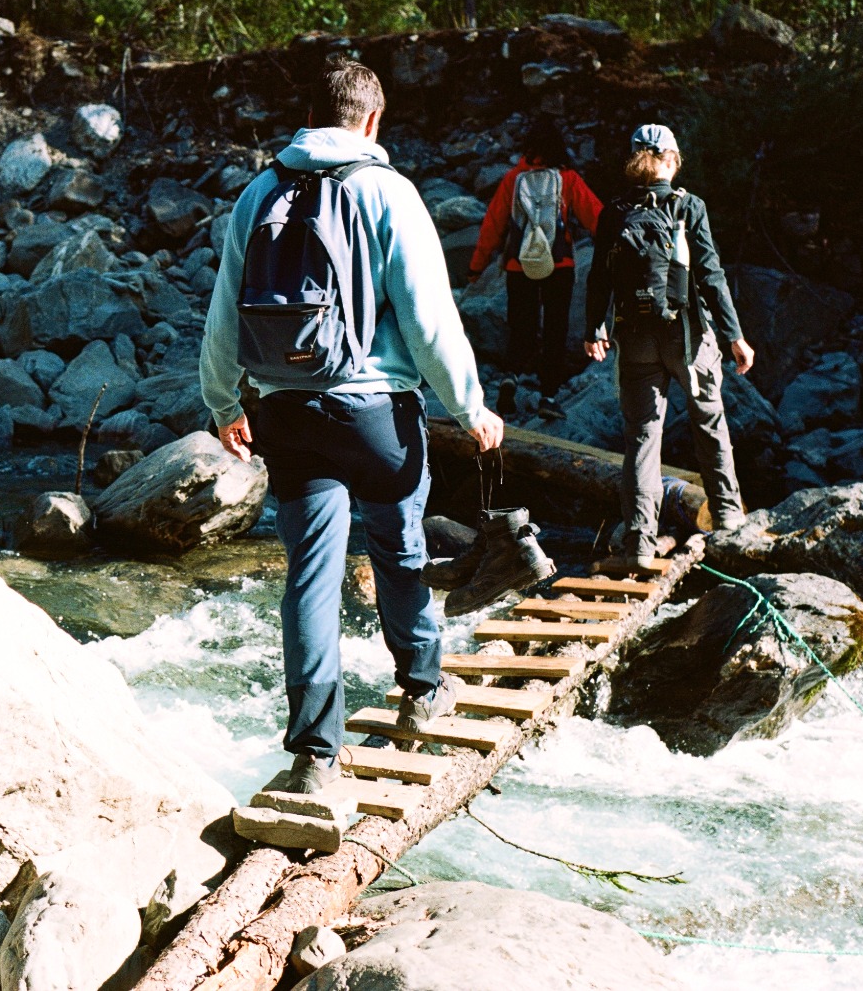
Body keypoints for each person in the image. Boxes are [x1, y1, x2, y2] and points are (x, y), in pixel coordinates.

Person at [200, 56, 505, 794]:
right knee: (399, 550)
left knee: (310, 576)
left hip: (287, 413)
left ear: (310, 116)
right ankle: (423, 689)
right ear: (372, 120)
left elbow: (223, 310)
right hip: (377, 415)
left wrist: (223, 404)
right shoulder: (389, 192)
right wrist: (470, 408)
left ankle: (314, 755)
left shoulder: (259, 192)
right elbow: (429, 319)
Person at [584, 124, 754, 567]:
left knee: (642, 438)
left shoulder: (614, 212)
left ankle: (640, 542)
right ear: (673, 160)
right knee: (709, 423)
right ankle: (728, 518)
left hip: (634, 338)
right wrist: (734, 335)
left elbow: (599, 277)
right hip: (687, 337)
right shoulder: (689, 206)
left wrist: (594, 329)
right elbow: (710, 274)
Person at [467, 116, 603, 420]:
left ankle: (511, 376)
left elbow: (492, 225)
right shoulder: (568, 179)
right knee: (555, 329)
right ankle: (548, 396)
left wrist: (476, 267)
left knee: (521, 327)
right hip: (559, 264)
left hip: (520, 264)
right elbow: (596, 217)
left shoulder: (513, 179)